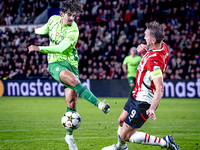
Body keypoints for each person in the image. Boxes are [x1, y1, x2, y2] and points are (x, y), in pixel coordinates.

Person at [27, 1, 110, 150]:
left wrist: (38, 48)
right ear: (62, 14)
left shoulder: (74, 31)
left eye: (74, 15)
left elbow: (60, 48)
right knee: (73, 80)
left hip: (71, 63)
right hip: (55, 63)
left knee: (71, 103)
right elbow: (45, 29)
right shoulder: (52, 20)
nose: (72, 18)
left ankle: (69, 136)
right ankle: (100, 104)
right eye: (70, 15)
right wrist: (37, 31)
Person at [102, 21, 180, 150]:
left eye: (146, 35)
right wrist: (145, 52)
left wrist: (152, 108)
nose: (144, 37)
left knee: (125, 136)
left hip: (143, 101)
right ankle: (121, 147)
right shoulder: (163, 46)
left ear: (154, 39)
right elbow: (152, 60)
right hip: (136, 94)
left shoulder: (154, 63)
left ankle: (165, 142)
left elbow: (160, 88)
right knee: (121, 121)